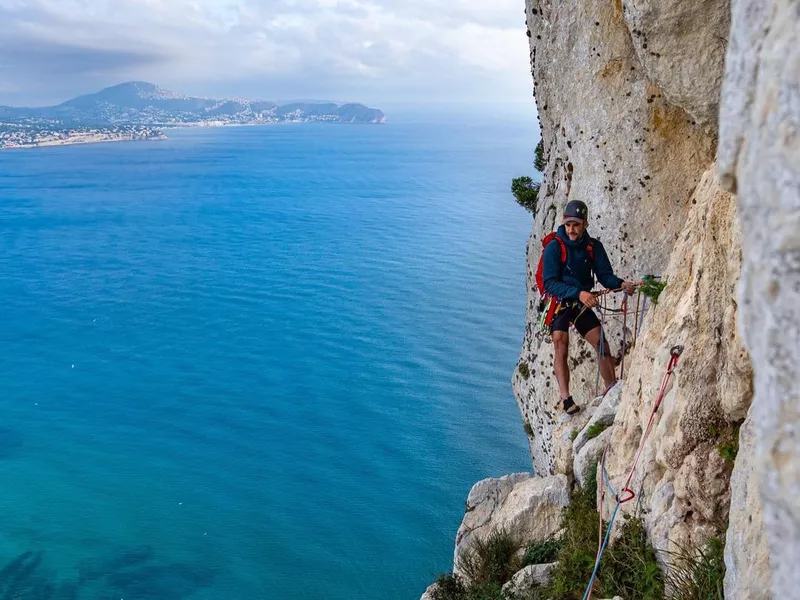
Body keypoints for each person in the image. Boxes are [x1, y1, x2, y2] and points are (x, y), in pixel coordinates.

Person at [542, 200, 638, 415]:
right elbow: (549, 282)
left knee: (601, 342)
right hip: (559, 302)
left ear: (585, 223)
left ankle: (611, 387)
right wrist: (579, 293)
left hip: (581, 302)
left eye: (575, 224)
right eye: (568, 225)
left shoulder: (592, 247)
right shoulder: (554, 247)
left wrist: (620, 284)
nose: (571, 229)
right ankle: (566, 399)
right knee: (561, 345)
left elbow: (604, 275)